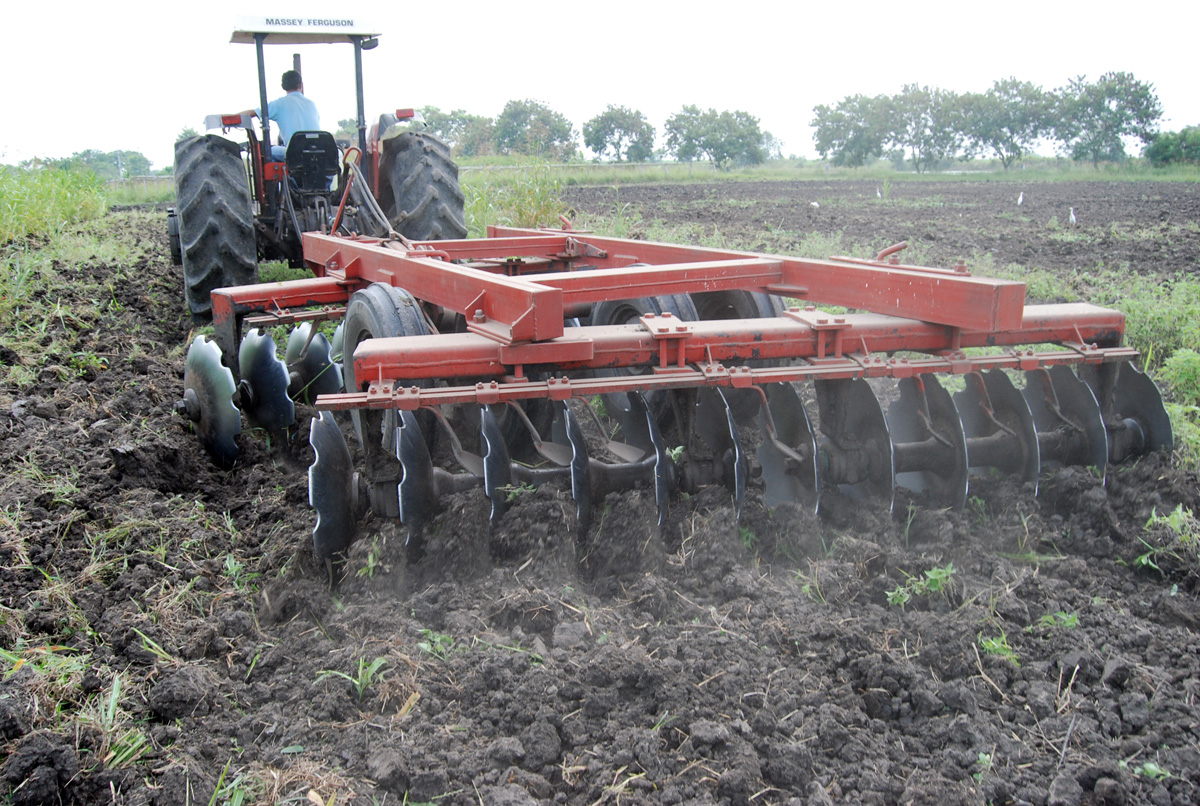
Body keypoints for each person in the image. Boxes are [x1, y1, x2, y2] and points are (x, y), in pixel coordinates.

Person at [244, 70, 320, 161]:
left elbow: (253, 113)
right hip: (317, 153)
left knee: (268, 151)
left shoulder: (279, 104)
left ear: (283, 87)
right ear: (300, 85)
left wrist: (230, 118)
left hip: (295, 154)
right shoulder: (312, 104)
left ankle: (279, 175)